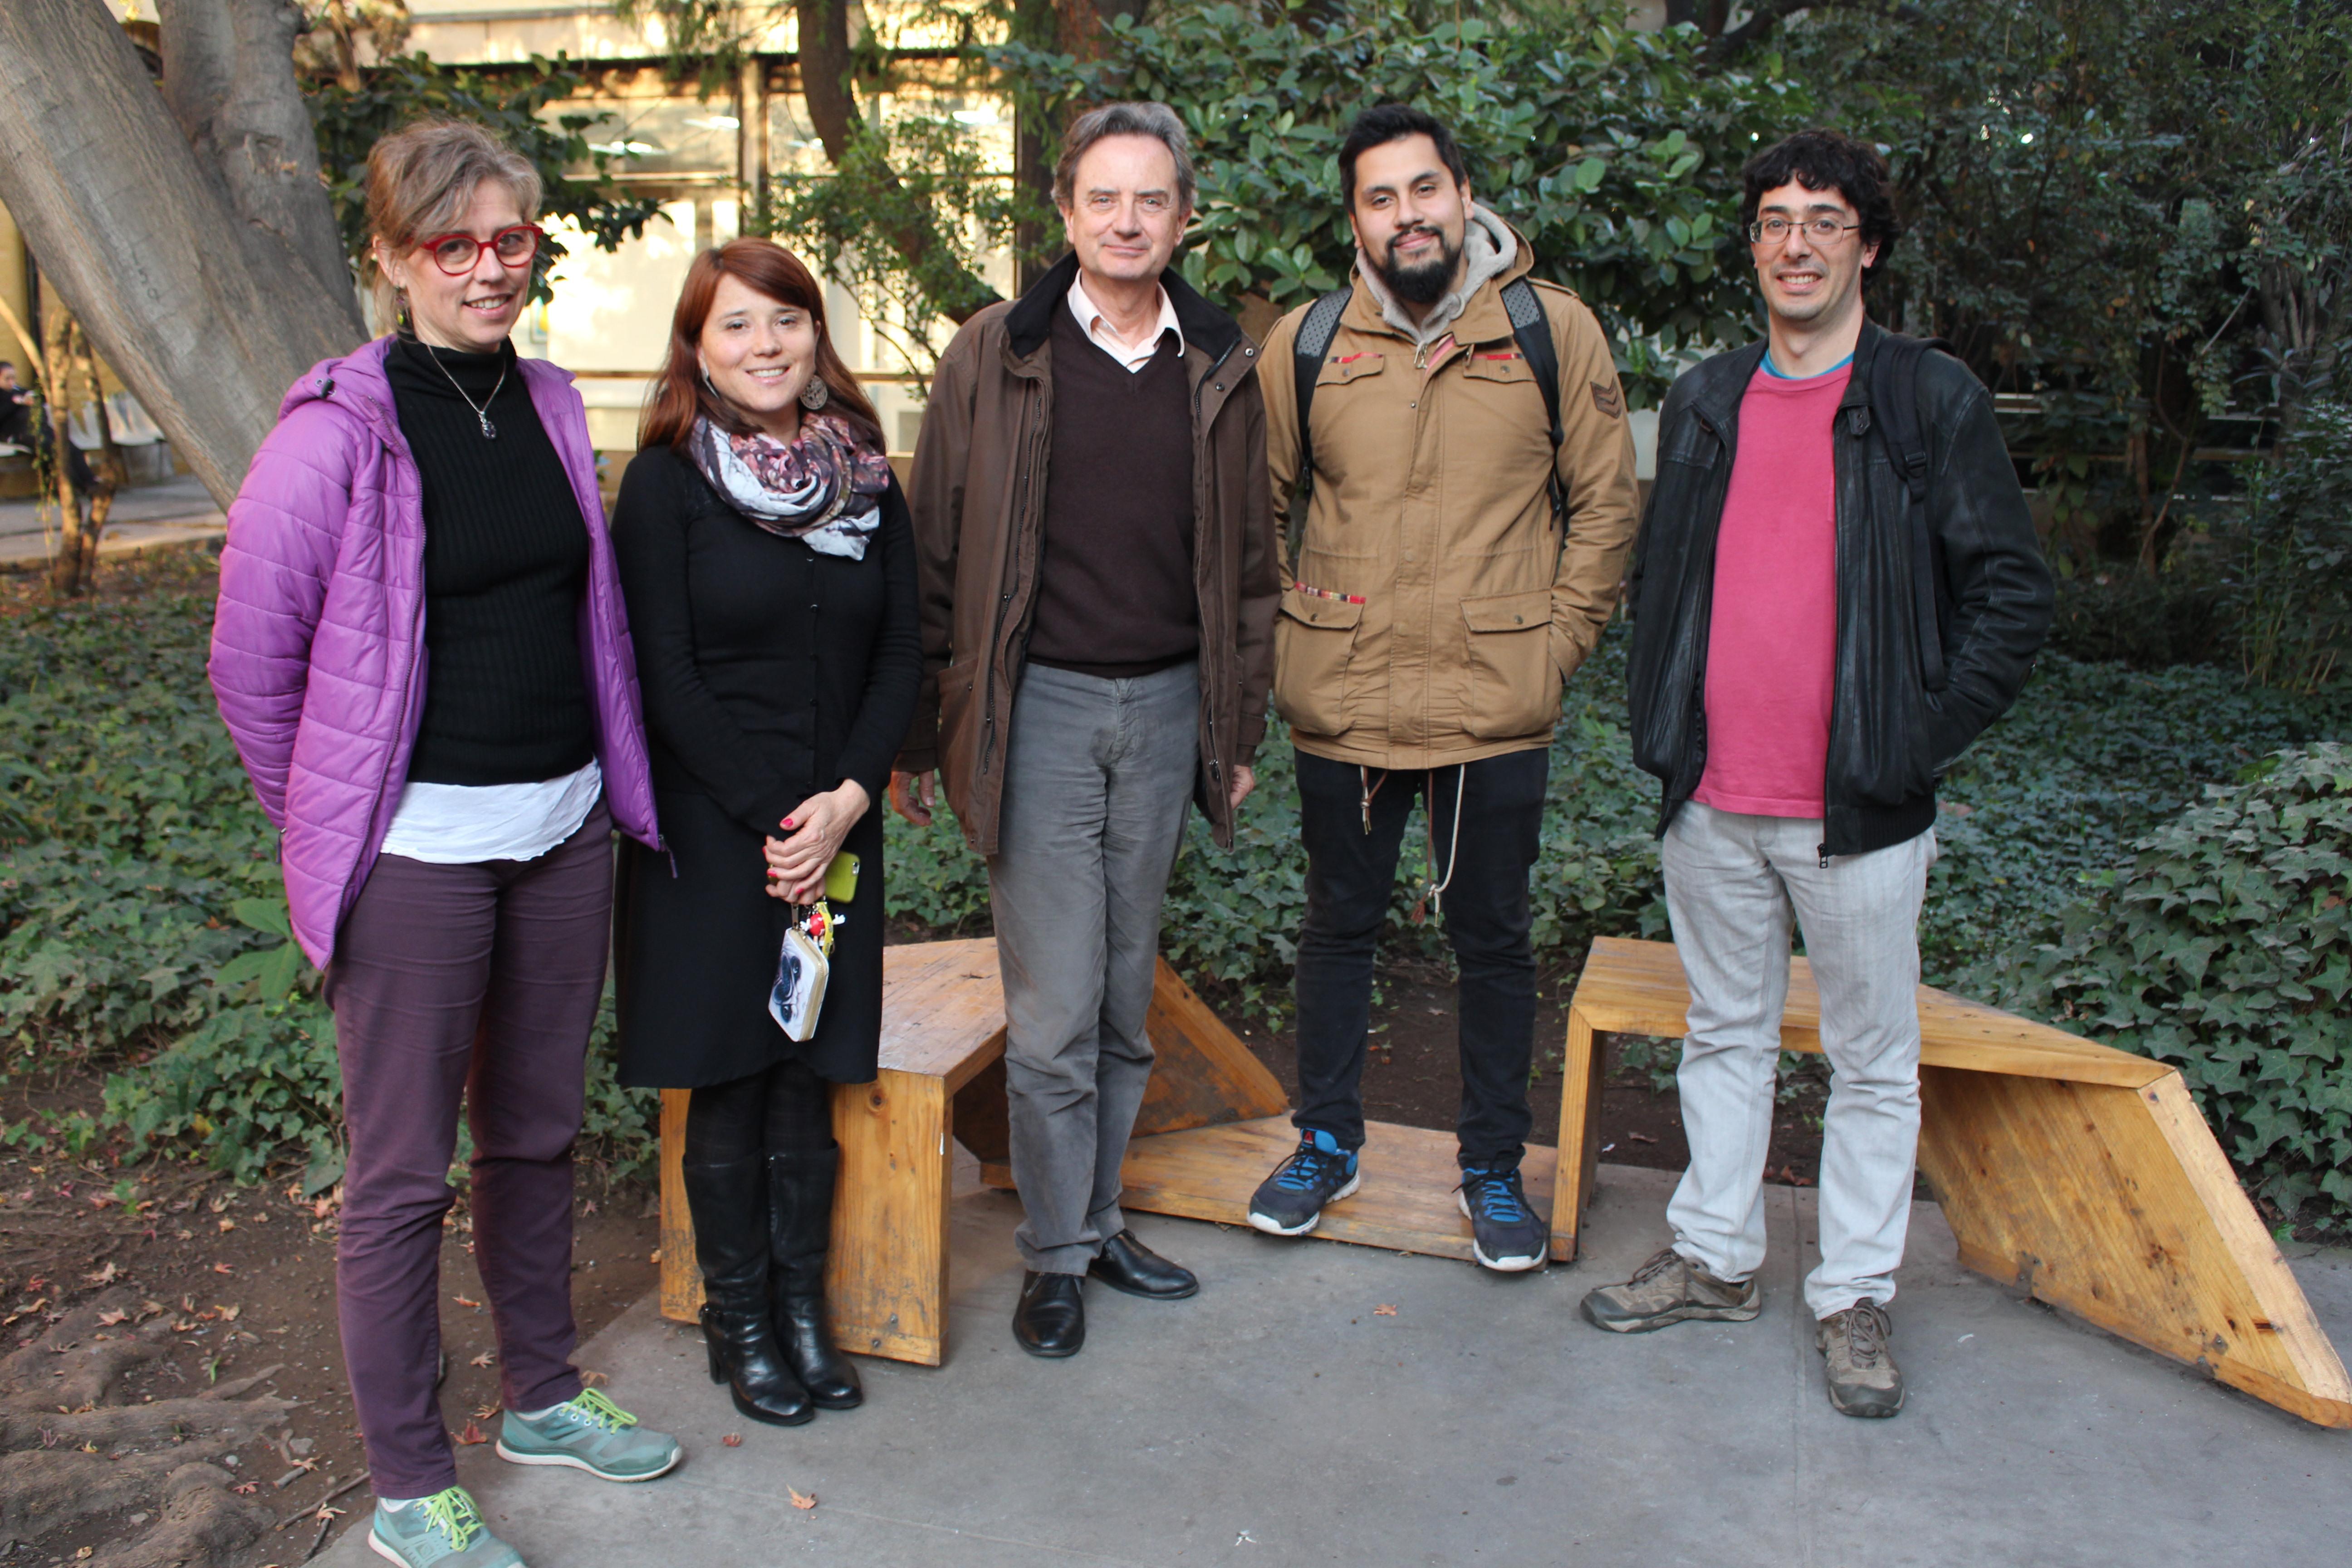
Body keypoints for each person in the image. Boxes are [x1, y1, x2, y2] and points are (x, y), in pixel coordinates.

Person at [209, 118, 681, 1568]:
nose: (489, 270)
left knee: (536, 1136)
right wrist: (335, 835)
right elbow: (252, 669)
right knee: (404, 1174)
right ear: (393, 257)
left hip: (558, 832)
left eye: (511, 242)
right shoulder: (332, 433)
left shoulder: (541, 400)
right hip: (415, 858)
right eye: (453, 246)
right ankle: (412, 1483)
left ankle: (542, 1396)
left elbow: (574, 606)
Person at [1583, 129, 2053, 1418]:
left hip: (1860, 811)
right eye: (1776, 221)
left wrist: (1918, 734)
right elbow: (1664, 580)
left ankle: (1853, 1298)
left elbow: (2012, 591)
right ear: (1753, 247)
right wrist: (1660, 722)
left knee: (1870, 1059)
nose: (1796, 243)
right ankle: (1719, 1258)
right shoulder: (1707, 398)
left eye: (1825, 221)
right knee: (1725, 1035)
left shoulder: (1924, 398)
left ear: (1869, 247)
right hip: (1714, 798)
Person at [891, 101, 1278, 1358]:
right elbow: (933, 547)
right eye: (1102, 197)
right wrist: (915, 726)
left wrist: (1237, 722)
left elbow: (1252, 569)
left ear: (1184, 217)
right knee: (1053, 1004)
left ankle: (1096, 1218)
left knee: (1121, 998)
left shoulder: (1220, 361)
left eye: (1151, 199)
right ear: (1063, 211)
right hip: (1038, 709)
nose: (1126, 220)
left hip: (1168, 709)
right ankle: (1054, 1253)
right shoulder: (998, 353)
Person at [1245, 105, 1640, 1271]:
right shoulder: (1308, 343)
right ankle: (1326, 1142)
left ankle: (1490, 1171)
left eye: (1424, 190)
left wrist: (1553, 648)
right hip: (1348, 701)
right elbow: (1255, 515)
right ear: (1355, 220)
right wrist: (1286, 652)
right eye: (1380, 197)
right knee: (1336, 932)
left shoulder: (1549, 331)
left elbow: (1606, 507)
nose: (1406, 215)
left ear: (1464, 196)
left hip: (1492, 701)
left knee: (1497, 941)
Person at [609, 239, 919, 1426]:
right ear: (697, 346)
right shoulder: (667, 483)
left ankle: (806, 1311)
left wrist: (848, 798)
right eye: (735, 326)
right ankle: (739, 1325)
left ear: (814, 331)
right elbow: (663, 674)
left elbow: (900, 651)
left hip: (837, 822)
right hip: (713, 834)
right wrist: (773, 819)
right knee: (733, 1083)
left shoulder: (866, 479)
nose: (766, 344)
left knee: (811, 1081)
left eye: (785, 318)